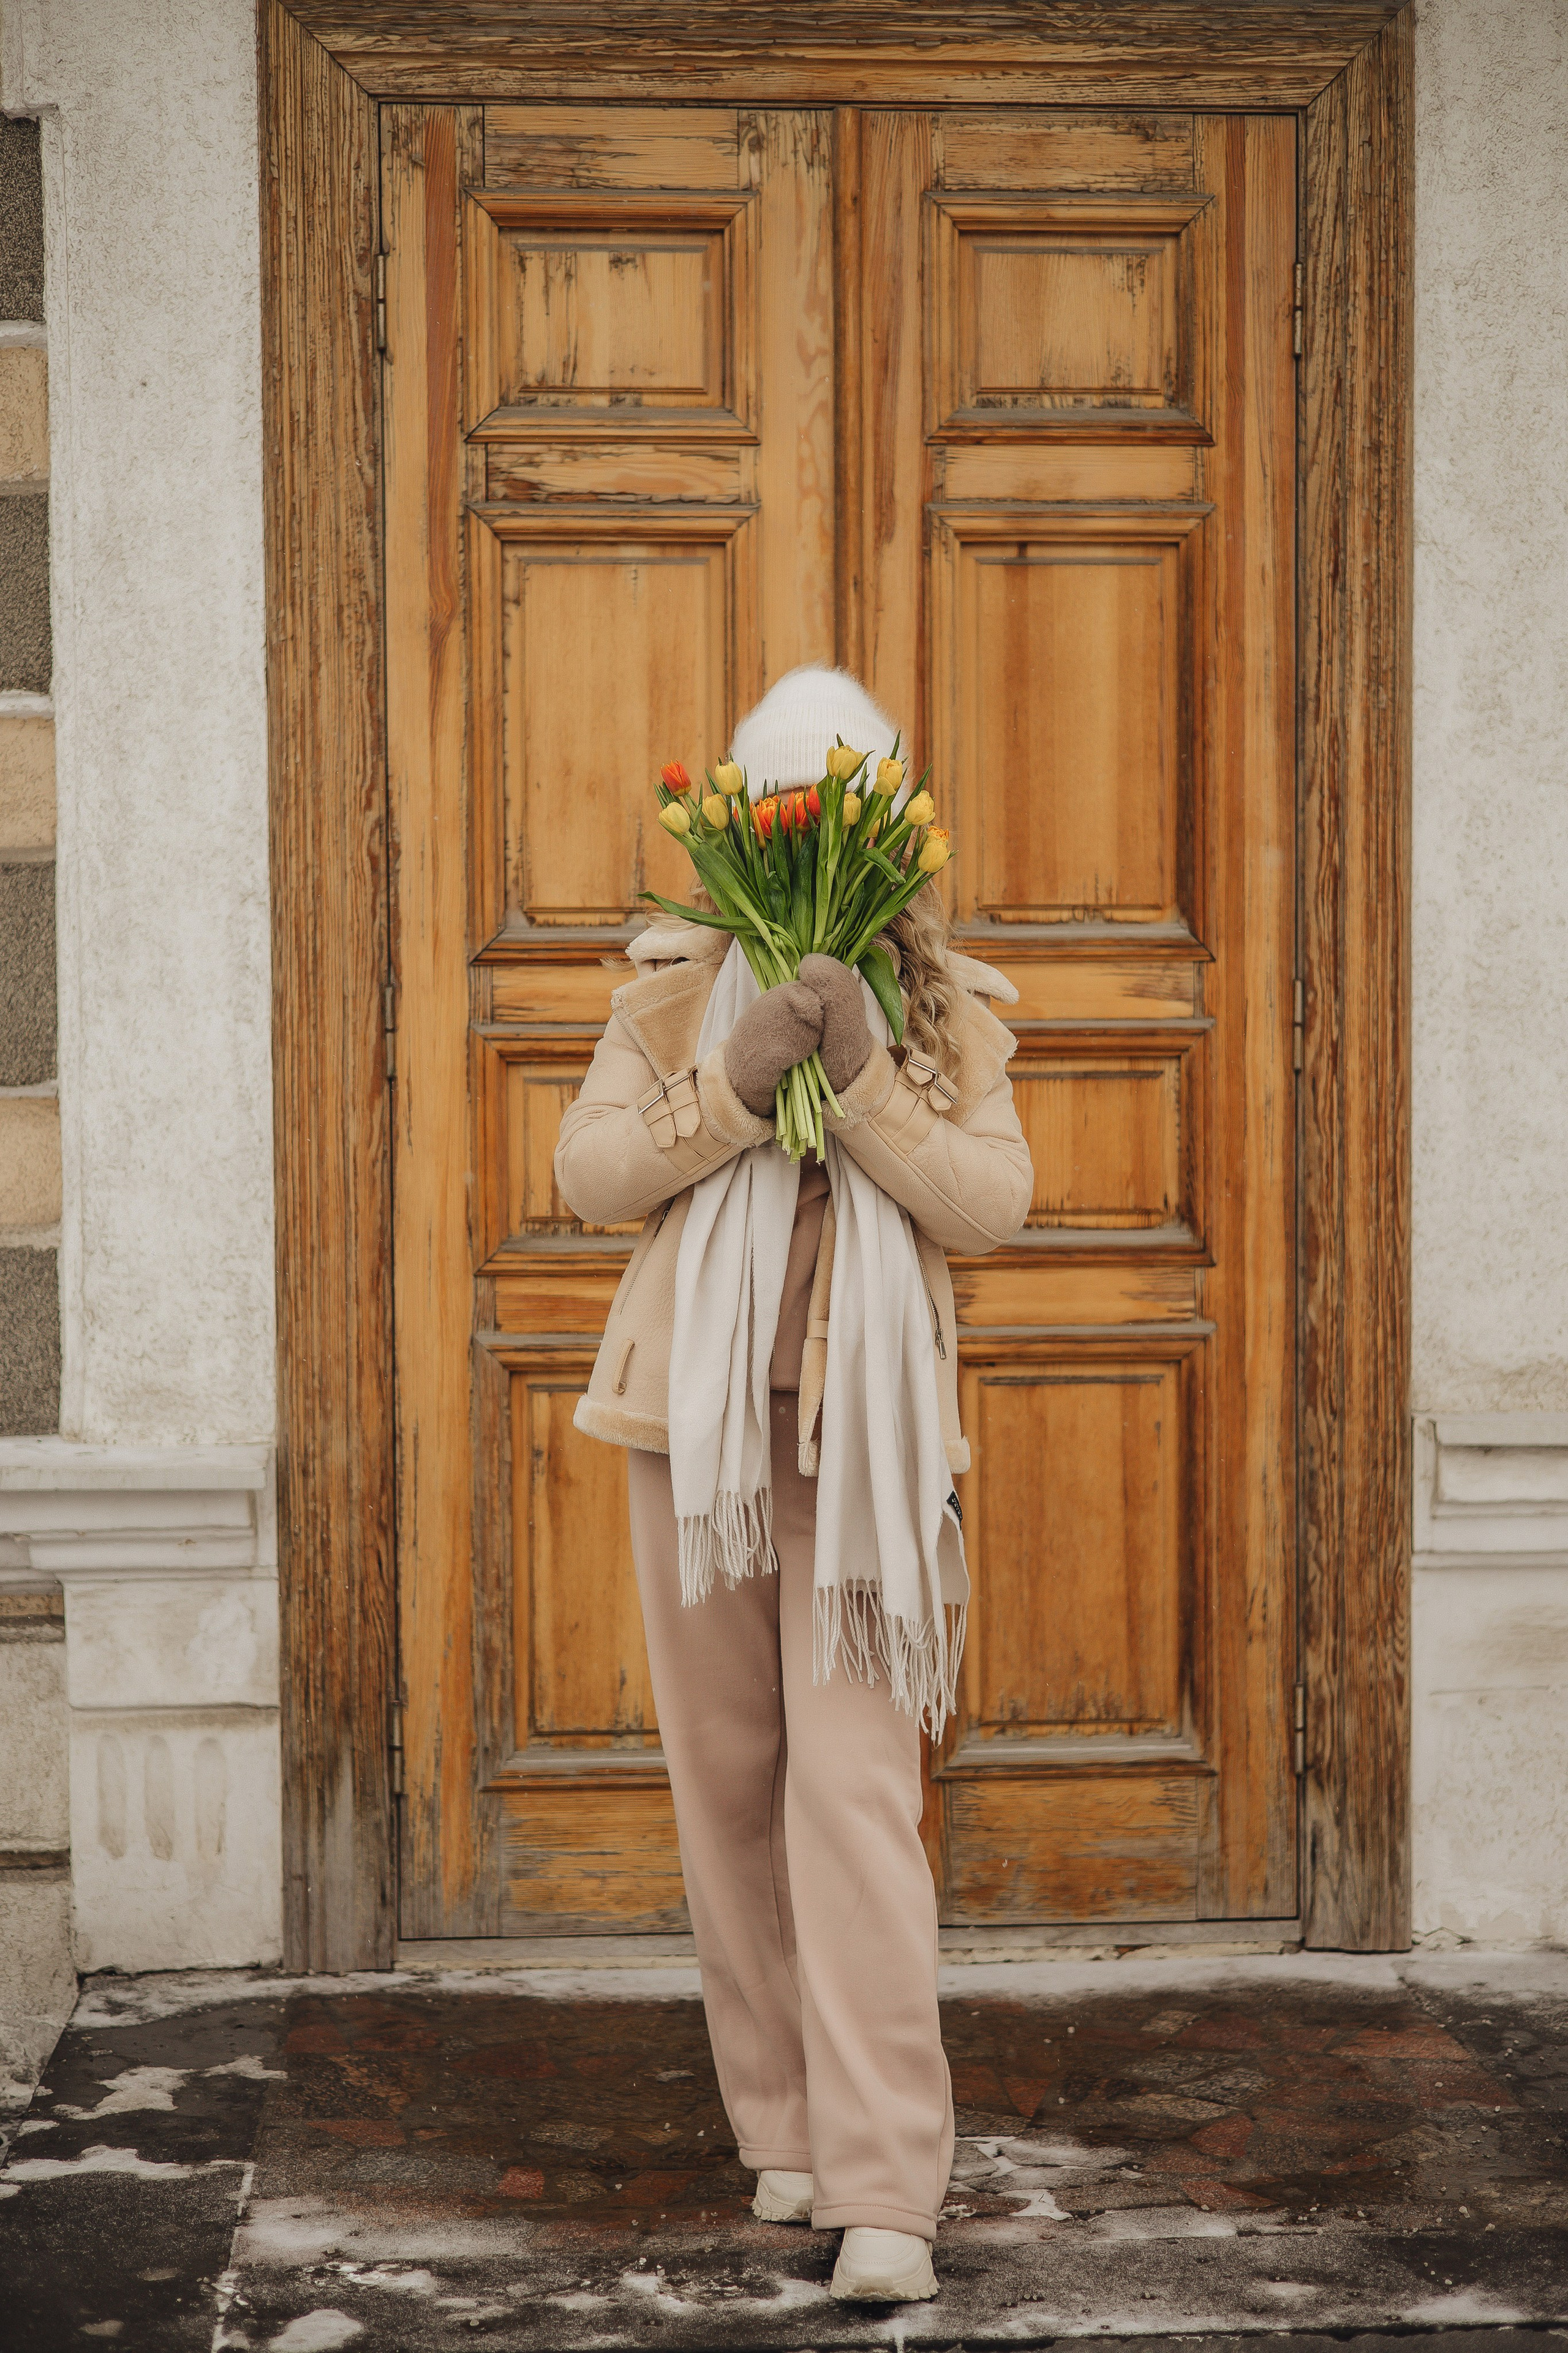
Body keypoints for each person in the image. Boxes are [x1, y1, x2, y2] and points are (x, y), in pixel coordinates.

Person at [554, 667, 1033, 2303]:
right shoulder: (668, 992)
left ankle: (890, 2180)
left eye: (844, 817)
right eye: (794, 816)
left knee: (852, 1792)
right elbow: (594, 1171)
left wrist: (869, 1075)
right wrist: (742, 1078)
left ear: (885, 835)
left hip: (866, 1452)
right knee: (730, 1786)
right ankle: (789, 2129)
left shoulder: (950, 1009)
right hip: (692, 1449)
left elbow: (990, 1201)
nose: (819, 840)